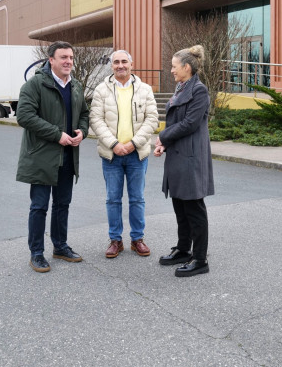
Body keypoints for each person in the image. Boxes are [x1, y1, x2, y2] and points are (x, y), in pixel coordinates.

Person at [15, 41, 90, 273]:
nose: (68, 61)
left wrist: (82, 131)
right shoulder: (35, 84)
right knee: (39, 206)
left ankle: (60, 246)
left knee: (62, 205)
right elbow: (24, 116)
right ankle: (36, 253)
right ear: (51, 60)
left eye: (71, 57)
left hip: (68, 156)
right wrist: (57, 135)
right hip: (41, 157)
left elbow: (84, 115)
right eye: (63, 57)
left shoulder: (76, 86)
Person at [89, 49, 159, 258]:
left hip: (136, 154)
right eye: (116, 62)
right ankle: (115, 240)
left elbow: (152, 119)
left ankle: (137, 239)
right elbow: (96, 120)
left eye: (124, 62)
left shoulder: (145, 89)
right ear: (111, 65)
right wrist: (114, 144)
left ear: (131, 64)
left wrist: (133, 144)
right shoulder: (101, 90)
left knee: (137, 198)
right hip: (111, 155)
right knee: (113, 199)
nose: (120, 65)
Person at [153, 45, 214, 278]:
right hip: (178, 155)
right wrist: (164, 144)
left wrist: (162, 137)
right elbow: (176, 123)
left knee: (194, 209)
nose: (171, 70)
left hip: (191, 158)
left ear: (187, 67)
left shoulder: (199, 91)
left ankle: (199, 258)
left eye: (174, 66)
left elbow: (190, 123)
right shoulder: (181, 88)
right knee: (180, 205)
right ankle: (183, 249)